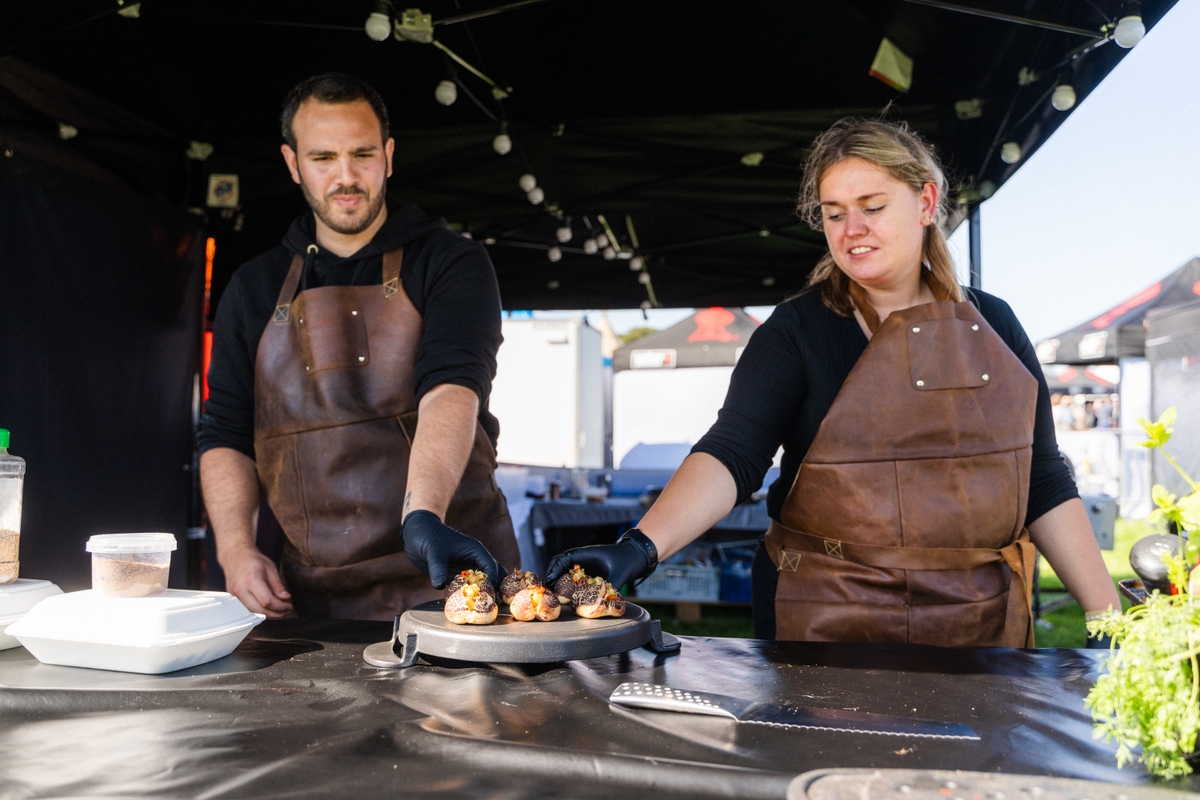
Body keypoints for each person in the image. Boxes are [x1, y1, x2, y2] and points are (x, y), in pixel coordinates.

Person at [548, 118, 1119, 647]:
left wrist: (1111, 621)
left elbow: (1041, 477)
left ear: (926, 202)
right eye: (835, 213)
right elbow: (733, 453)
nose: (853, 230)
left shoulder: (994, 323)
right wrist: (639, 548)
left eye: (873, 207)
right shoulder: (797, 330)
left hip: (979, 622)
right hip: (828, 618)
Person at [198, 74, 518, 620]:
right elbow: (225, 432)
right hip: (313, 598)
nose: (345, 177)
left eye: (363, 154)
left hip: (456, 578)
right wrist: (235, 551)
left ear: (388, 156)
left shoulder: (451, 261)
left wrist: (423, 519)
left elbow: (451, 389)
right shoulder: (253, 288)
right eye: (323, 158)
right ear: (293, 163)